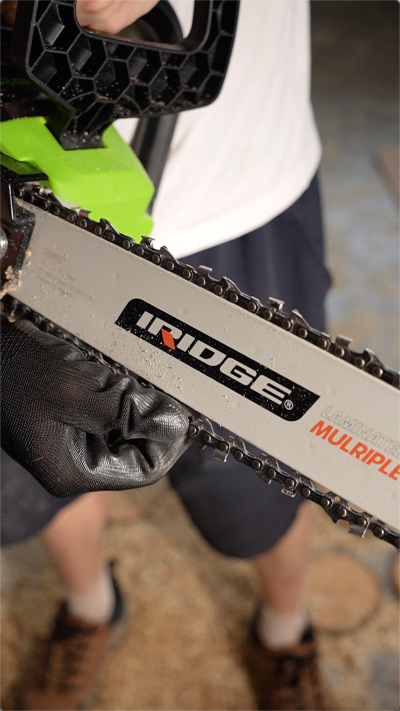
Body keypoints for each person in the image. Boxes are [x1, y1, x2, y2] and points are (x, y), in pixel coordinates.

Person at [1, 1, 333, 709]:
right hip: (18, 200)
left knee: (258, 482)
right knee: (43, 452)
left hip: (234, 186)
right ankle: (90, 606)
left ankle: (285, 629)